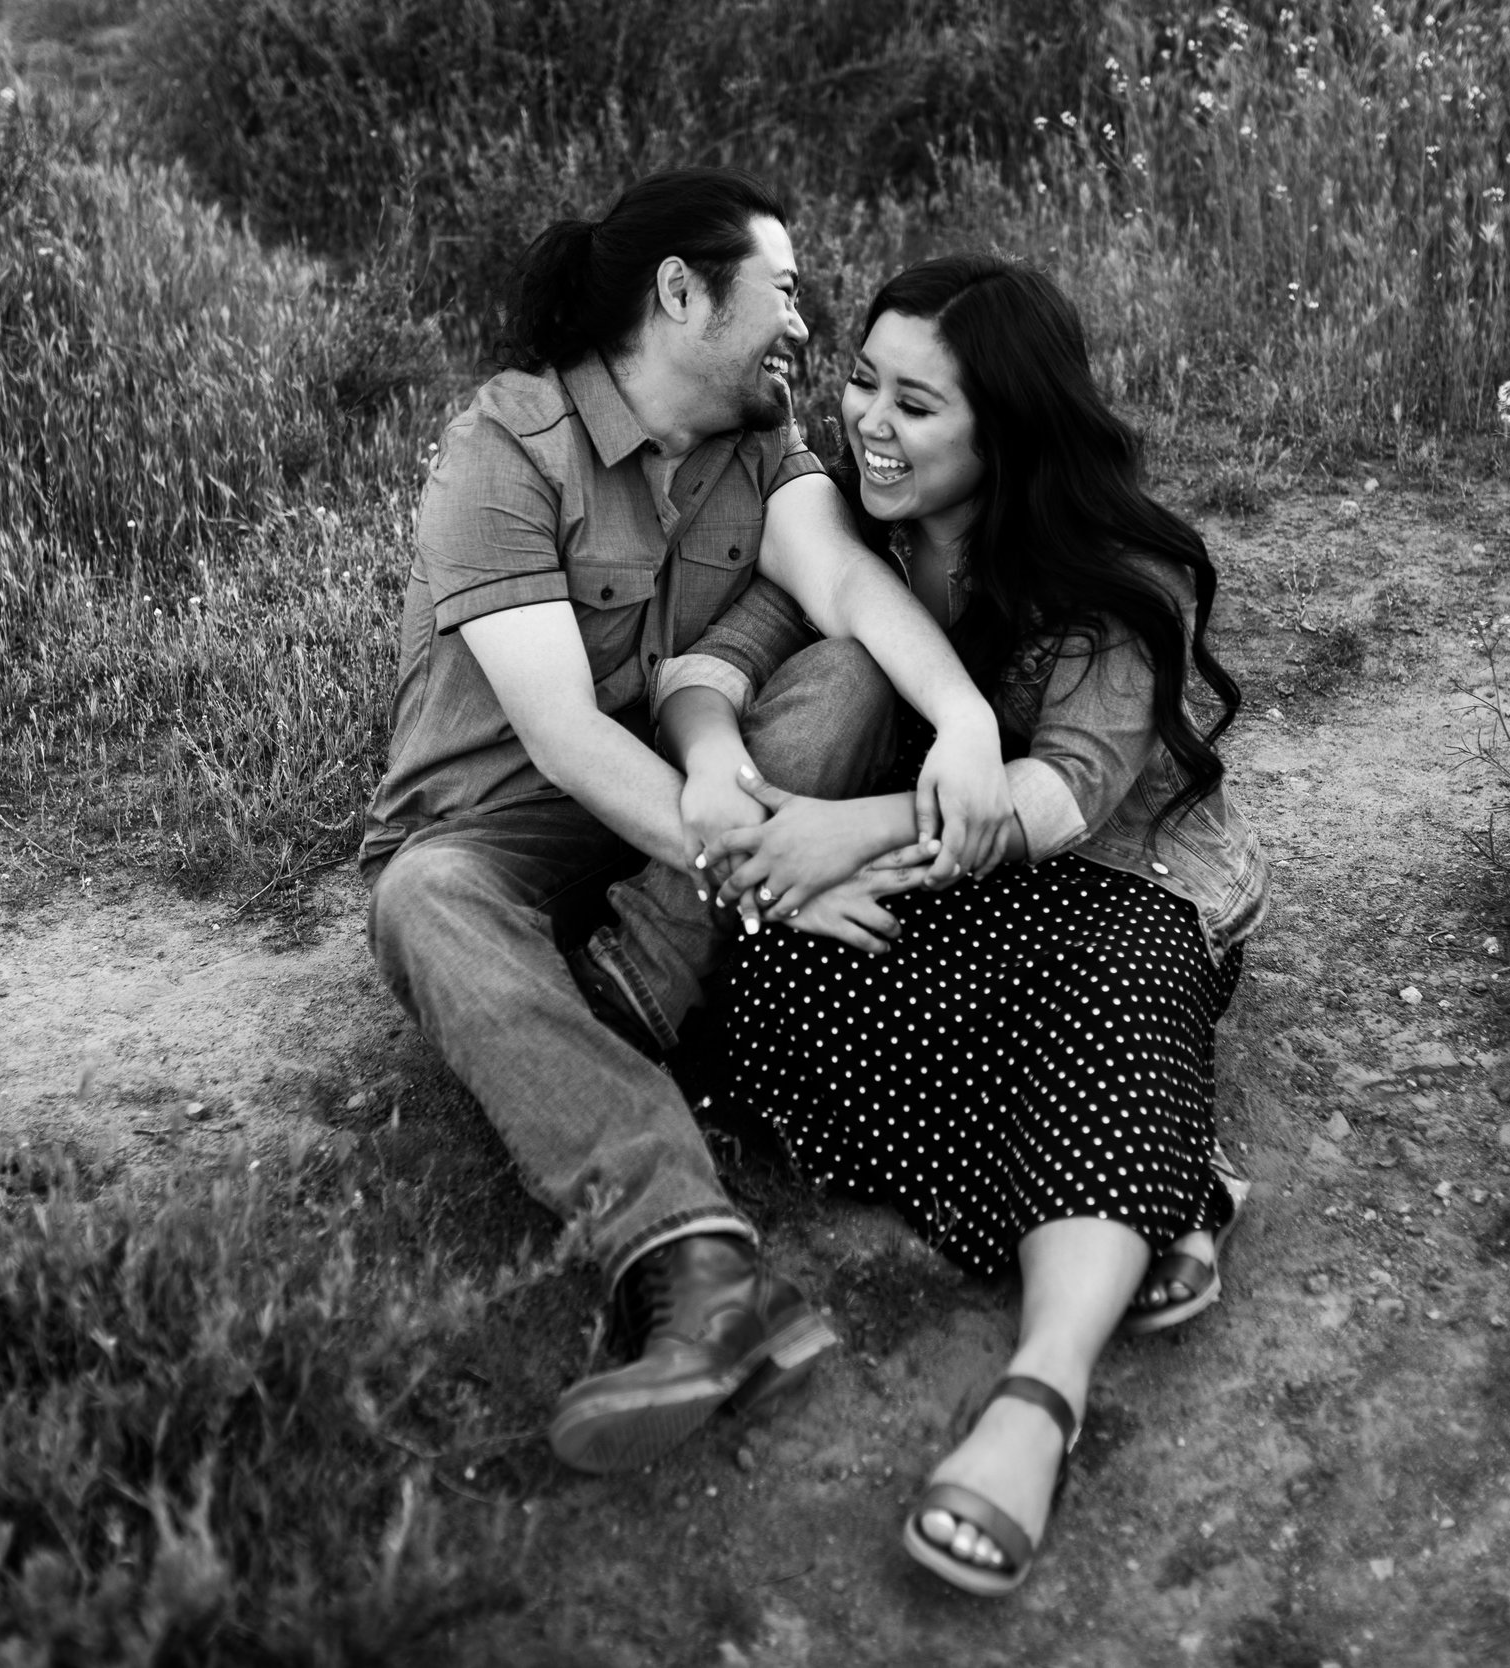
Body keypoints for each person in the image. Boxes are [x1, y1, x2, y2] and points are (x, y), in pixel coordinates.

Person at [361, 170, 1014, 1476]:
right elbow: (563, 738)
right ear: (678, 293)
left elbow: (845, 589)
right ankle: (701, 1270)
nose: (801, 319)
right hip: (506, 836)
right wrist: (773, 873)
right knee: (420, 900)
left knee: (856, 675)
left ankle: (612, 1014)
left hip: (691, 833)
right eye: (780, 289)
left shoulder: (764, 445)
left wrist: (969, 726)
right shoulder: (506, 443)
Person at [674, 254, 1269, 1595]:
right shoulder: (863, 545)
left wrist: (847, 832)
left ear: (1005, 427)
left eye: (918, 405)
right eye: (862, 383)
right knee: (777, 982)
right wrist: (715, 756)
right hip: (956, 901)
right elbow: (719, 662)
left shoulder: (1113, 580)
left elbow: (1060, 804)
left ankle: (1036, 1397)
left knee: (1110, 984)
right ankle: (1167, 1186)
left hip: (1124, 897)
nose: (870, 422)